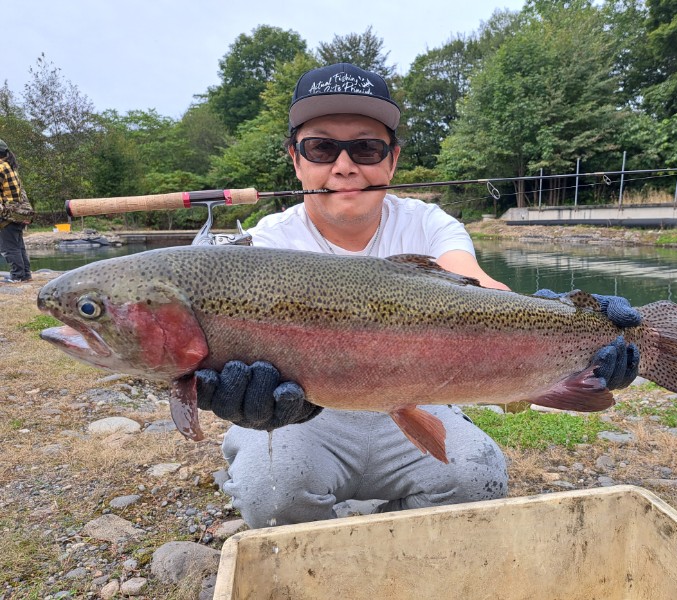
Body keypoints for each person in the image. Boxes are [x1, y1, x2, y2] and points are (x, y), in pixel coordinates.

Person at [195, 63, 641, 528]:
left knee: (479, 480)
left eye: (366, 148)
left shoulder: (429, 224)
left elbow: (478, 290)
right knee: (273, 497)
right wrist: (244, 398)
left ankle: (390, 532)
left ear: (392, 160)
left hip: (423, 399)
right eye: (322, 147)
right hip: (307, 415)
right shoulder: (265, 247)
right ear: (295, 159)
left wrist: (567, 320)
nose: (344, 165)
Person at [0, 139, 34, 283]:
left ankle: (17, 276)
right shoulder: (10, 166)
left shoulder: (1, 167)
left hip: (8, 215)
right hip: (18, 214)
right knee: (19, 246)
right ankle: (25, 274)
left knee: (9, 248)